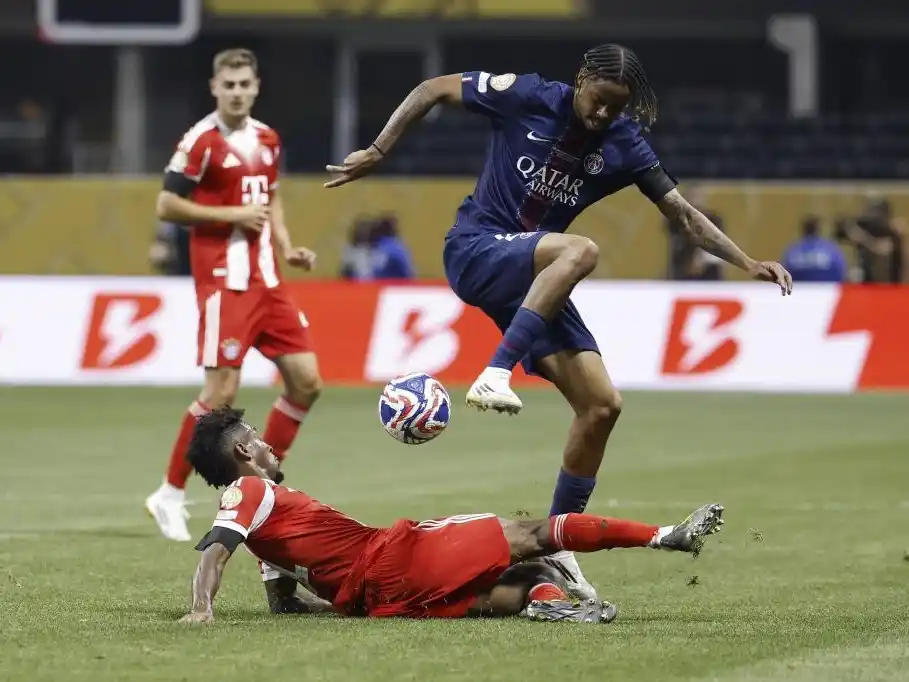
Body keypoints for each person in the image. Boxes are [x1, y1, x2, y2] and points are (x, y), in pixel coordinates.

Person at [323, 43, 790, 598]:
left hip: (536, 275)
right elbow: (433, 89)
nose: (602, 116)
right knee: (582, 250)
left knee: (601, 407)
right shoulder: (527, 96)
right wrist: (379, 149)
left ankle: (556, 547)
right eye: (597, 102)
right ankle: (496, 372)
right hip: (477, 250)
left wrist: (747, 262)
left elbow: (683, 215)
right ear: (581, 79)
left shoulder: (623, 143)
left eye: (615, 108)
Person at [178, 407, 725, 625]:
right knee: (533, 533)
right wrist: (202, 608)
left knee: (523, 582)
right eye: (258, 440)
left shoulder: (263, 530)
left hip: (377, 601)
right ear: (245, 455)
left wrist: (339, 599)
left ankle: (549, 610)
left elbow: (284, 604)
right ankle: (667, 536)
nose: (270, 444)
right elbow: (214, 547)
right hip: (393, 555)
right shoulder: (248, 492)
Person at [146, 48, 323, 542]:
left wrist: (287, 247)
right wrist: (232, 218)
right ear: (215, 88)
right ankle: (170, 493)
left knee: (306, 381)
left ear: (256, 85)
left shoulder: (267, 138)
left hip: (269, 281)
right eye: (230, 85)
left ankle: (261, 483)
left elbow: (272, 197)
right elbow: (166, 204)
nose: (238, 92)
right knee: (220, 393)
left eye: (245, 83)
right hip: (226, 282)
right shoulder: (200, 141)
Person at [781, 216, 847, 283]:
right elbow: (841, 272)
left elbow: (784, 272)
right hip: (826, 289)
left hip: (799, 290)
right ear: (818, 229)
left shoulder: (793, 250)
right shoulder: (831, 249)